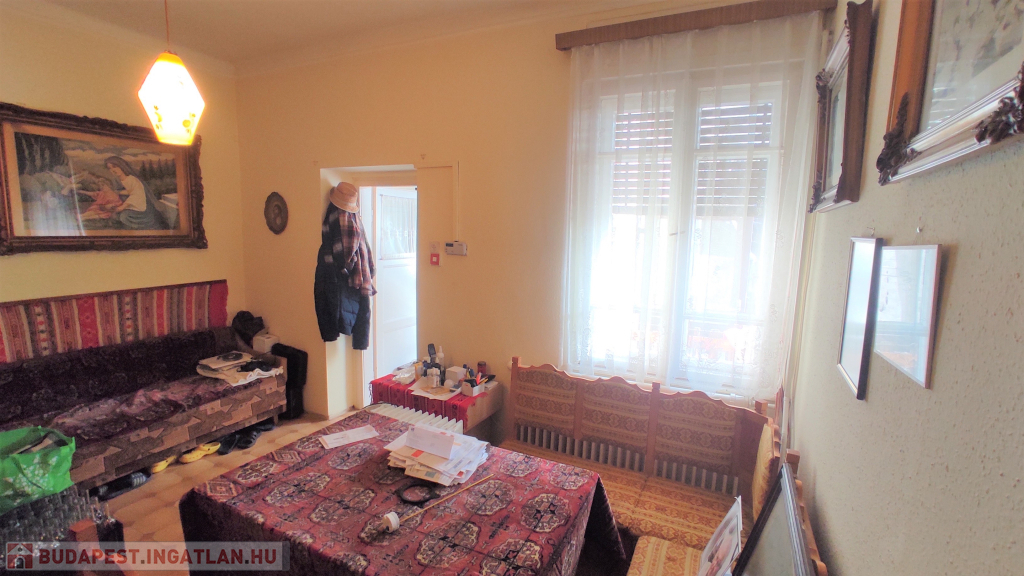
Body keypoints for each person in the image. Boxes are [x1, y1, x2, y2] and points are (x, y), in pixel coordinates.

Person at [105, 156, 166, 230]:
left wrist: (123, 206)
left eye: (114, 166)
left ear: (121, 165)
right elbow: (129, 191)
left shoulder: (132, 179)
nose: (113, 170)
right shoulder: (118, 181)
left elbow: (136, 194)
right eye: (110, 168)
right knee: (115, 216)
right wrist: (118, 194)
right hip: (131, 206)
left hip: (141, 208)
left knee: (124, 216)